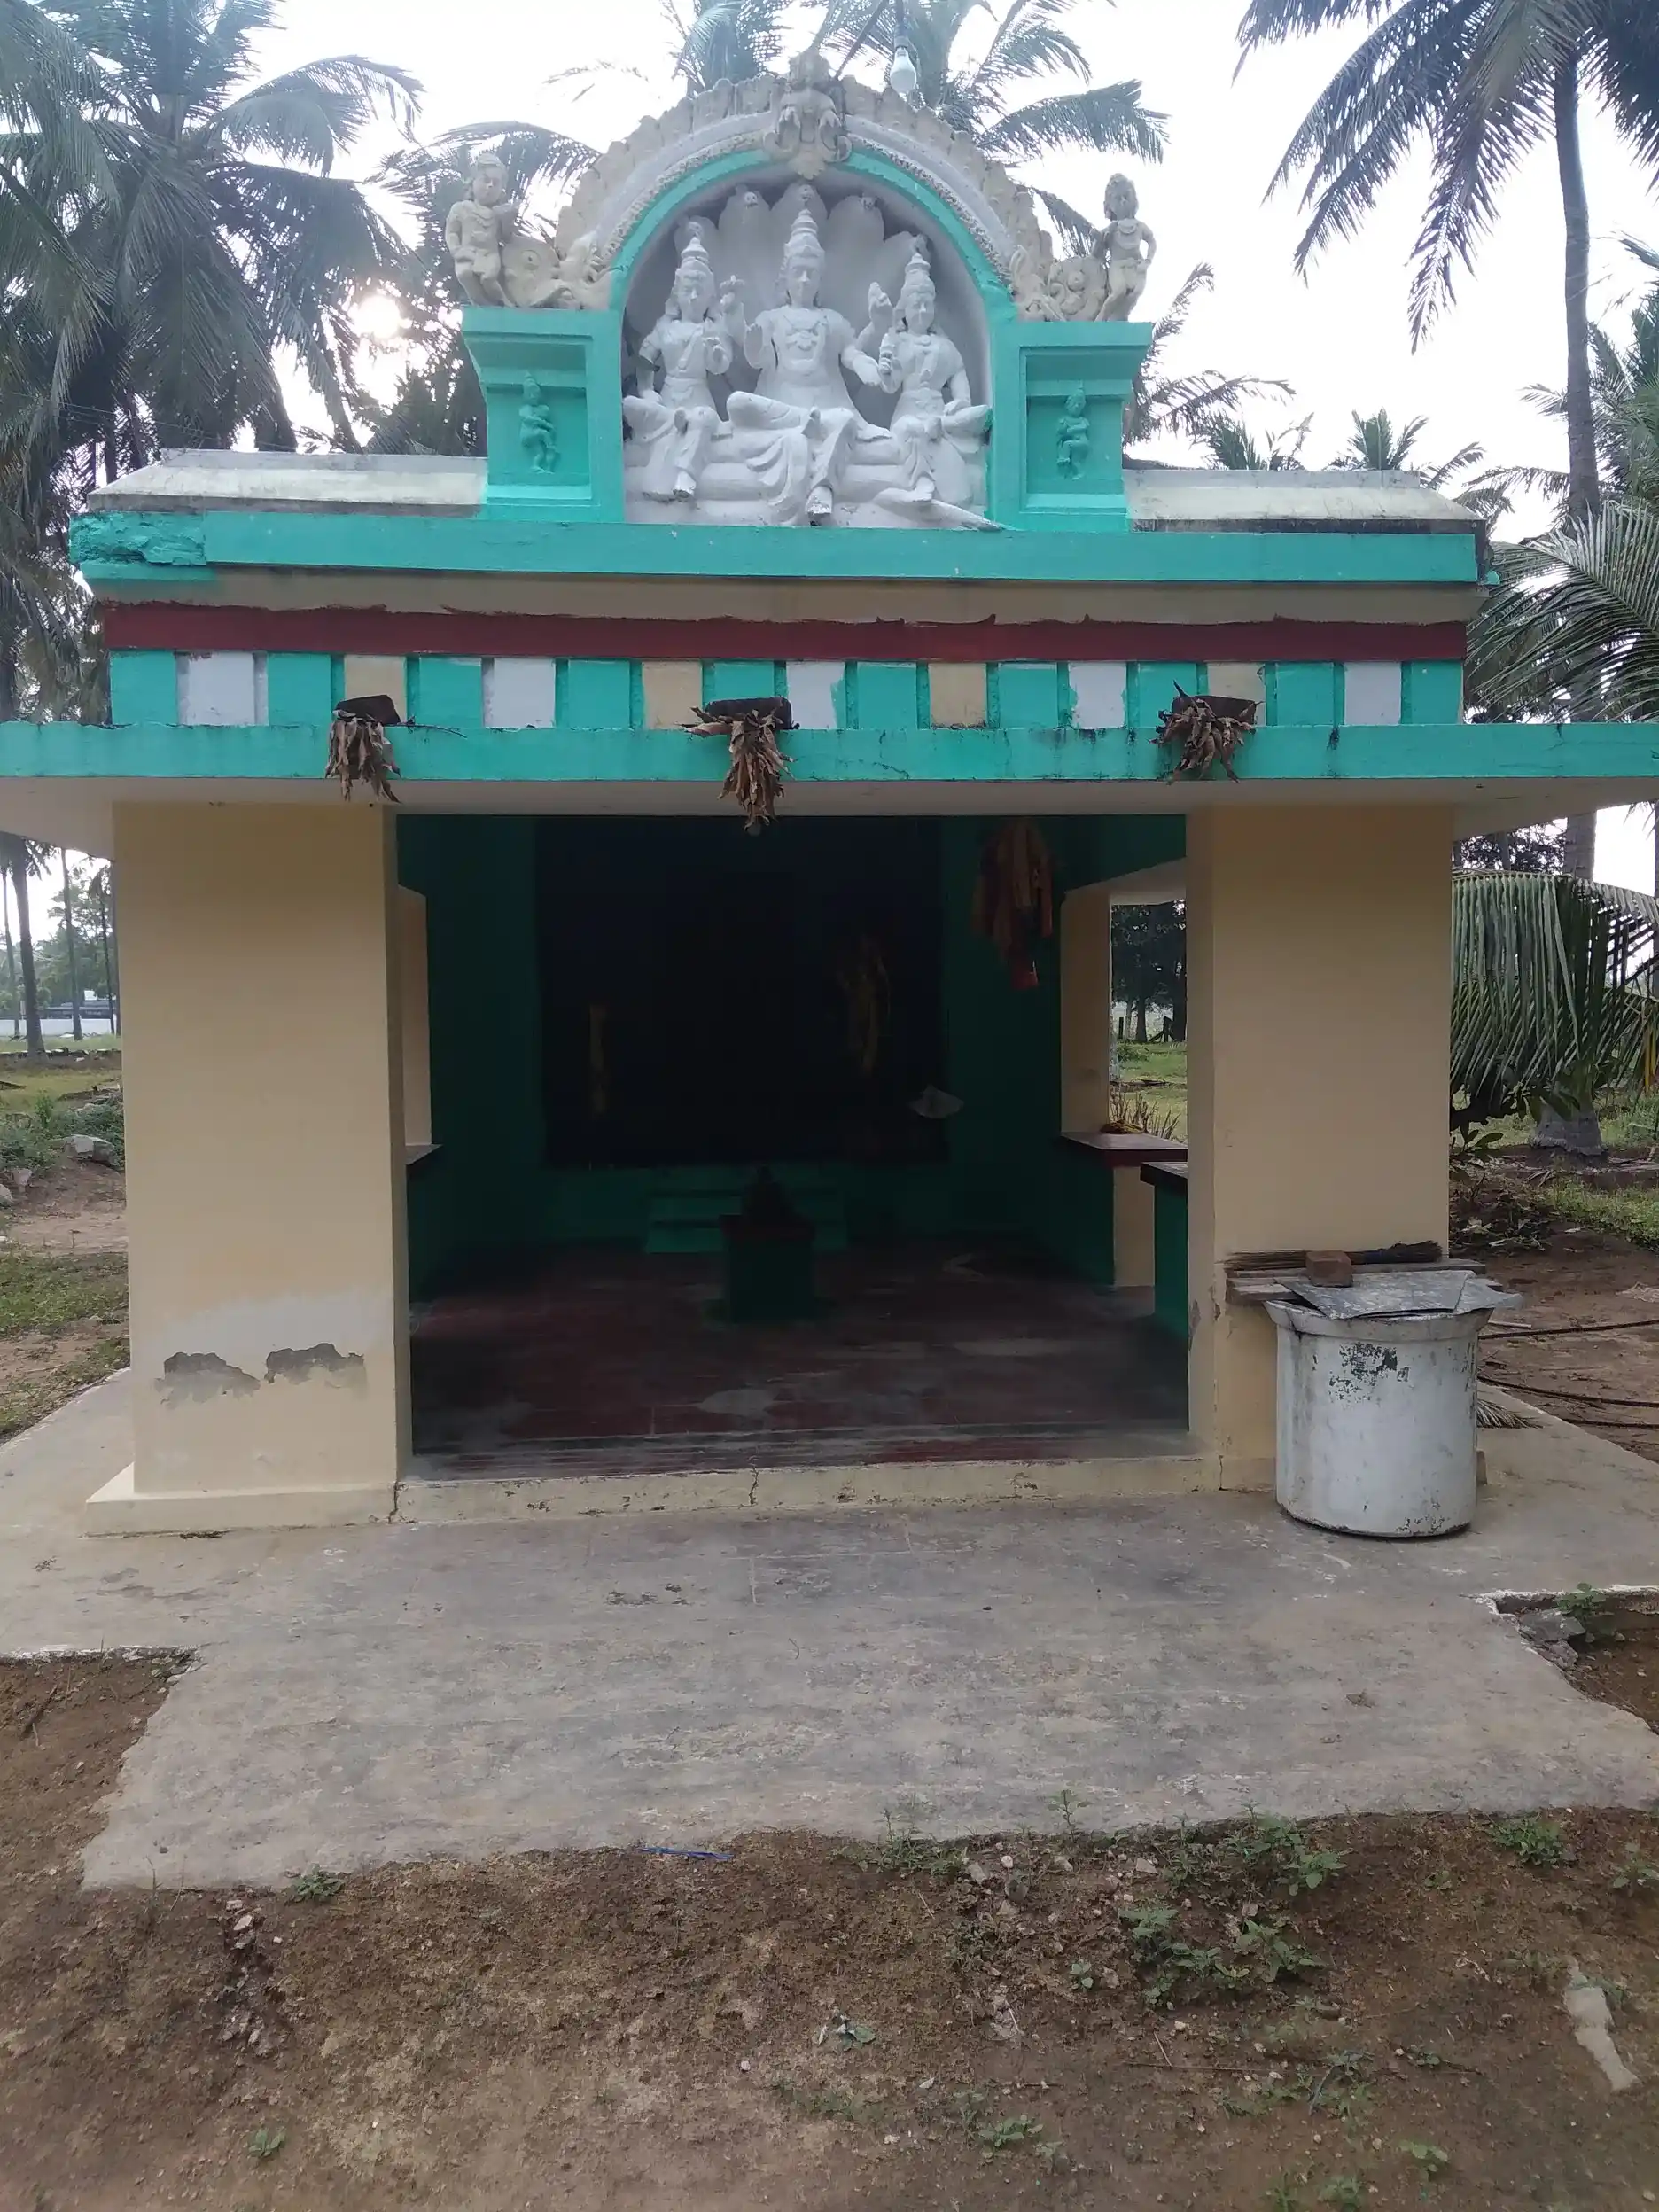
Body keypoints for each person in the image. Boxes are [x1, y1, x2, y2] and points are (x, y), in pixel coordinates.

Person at [726, 204, 886, 525]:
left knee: (844, 420)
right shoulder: (771, 319)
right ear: (784, 275)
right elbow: (756, 357)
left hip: (826, 410)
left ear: (820, 278)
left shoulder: (831, 321)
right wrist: (735, 317)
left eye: (811, 273)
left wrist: (875, 335)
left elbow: (851, 353)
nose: (803, 279)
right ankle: (803, 420)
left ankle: (821, 489)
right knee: (736, 402)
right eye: (797, 271)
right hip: (780, 410)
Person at [622, 232, 740, 502]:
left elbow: (720, 366)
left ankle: (685, 472)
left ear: (710, 294)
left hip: (699, 394)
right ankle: (670, 421)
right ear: (677, 292)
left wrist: (716, 352)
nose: (694, 296)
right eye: (688, 290)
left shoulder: (712, 328)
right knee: (633, 404)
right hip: (669, 395)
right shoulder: (666, 327)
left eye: (700, 291)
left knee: (703, 418)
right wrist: (646, 389)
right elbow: (645, 356)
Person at [445, 153, 516, 308]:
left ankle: (504, 301)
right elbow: (451, 233)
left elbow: (506, 238)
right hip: (468, 252)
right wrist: (456, 250)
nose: (490, 185)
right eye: (485, 180)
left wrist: (508, 220)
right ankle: (481, 304)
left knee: (489, 278)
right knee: (464, 274)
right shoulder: (461, 209)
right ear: (472, 182)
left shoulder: (498, 213)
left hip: (490, 255)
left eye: (495, 183)